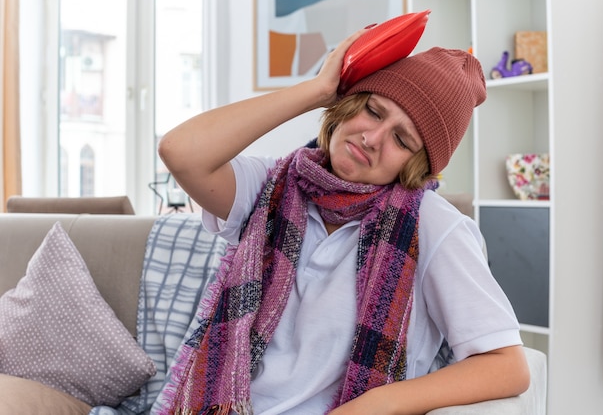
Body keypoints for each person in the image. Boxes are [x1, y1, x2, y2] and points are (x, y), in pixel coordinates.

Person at [156, 28, 530, 415]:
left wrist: (376, 404)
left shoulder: (432, 226)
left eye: (402, 140)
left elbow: (507, 365)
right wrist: (317, 91)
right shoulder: (270, 188)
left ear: (416, 165)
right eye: (372, 110)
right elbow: (180, 151)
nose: (372, 138)